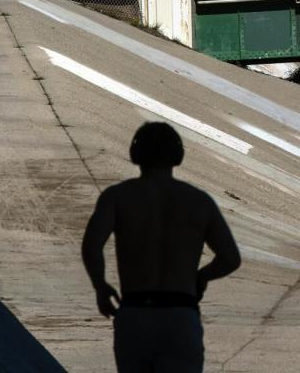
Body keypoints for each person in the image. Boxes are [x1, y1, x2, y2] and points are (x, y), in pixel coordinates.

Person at [82, 122, 241, 373]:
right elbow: (230, 258)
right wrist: (201, 276)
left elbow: (92, 245)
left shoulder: (117, 196)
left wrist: (100, 286)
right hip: (180, 315)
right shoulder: (198, 201)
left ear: (136, 153)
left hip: (135, 314)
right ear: (177, 155)